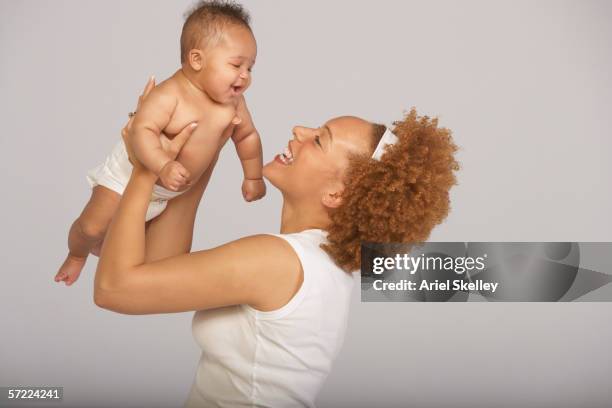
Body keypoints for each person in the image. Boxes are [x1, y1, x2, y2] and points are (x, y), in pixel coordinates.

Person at [93, 79, 459, 407]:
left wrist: (144, 169)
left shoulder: (281, 262)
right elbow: (160, 265)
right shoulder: (316, 264)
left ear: (336, 193)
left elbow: (114, 288)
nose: (299, 130)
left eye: (319, 139)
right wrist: (202, 151)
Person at [55, 0, 265, 286]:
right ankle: (77, 253)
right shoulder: (171, 94)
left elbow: (247, 136)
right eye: (236, 64)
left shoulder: (234, 104)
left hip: (169, 193)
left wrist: (253, 176)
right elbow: (141, 130)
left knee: (142, 256)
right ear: (197, 60)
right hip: (128, 176)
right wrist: (162, 164)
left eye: (250, 67)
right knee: (92, 226)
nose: (245, 75)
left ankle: (108, 253)